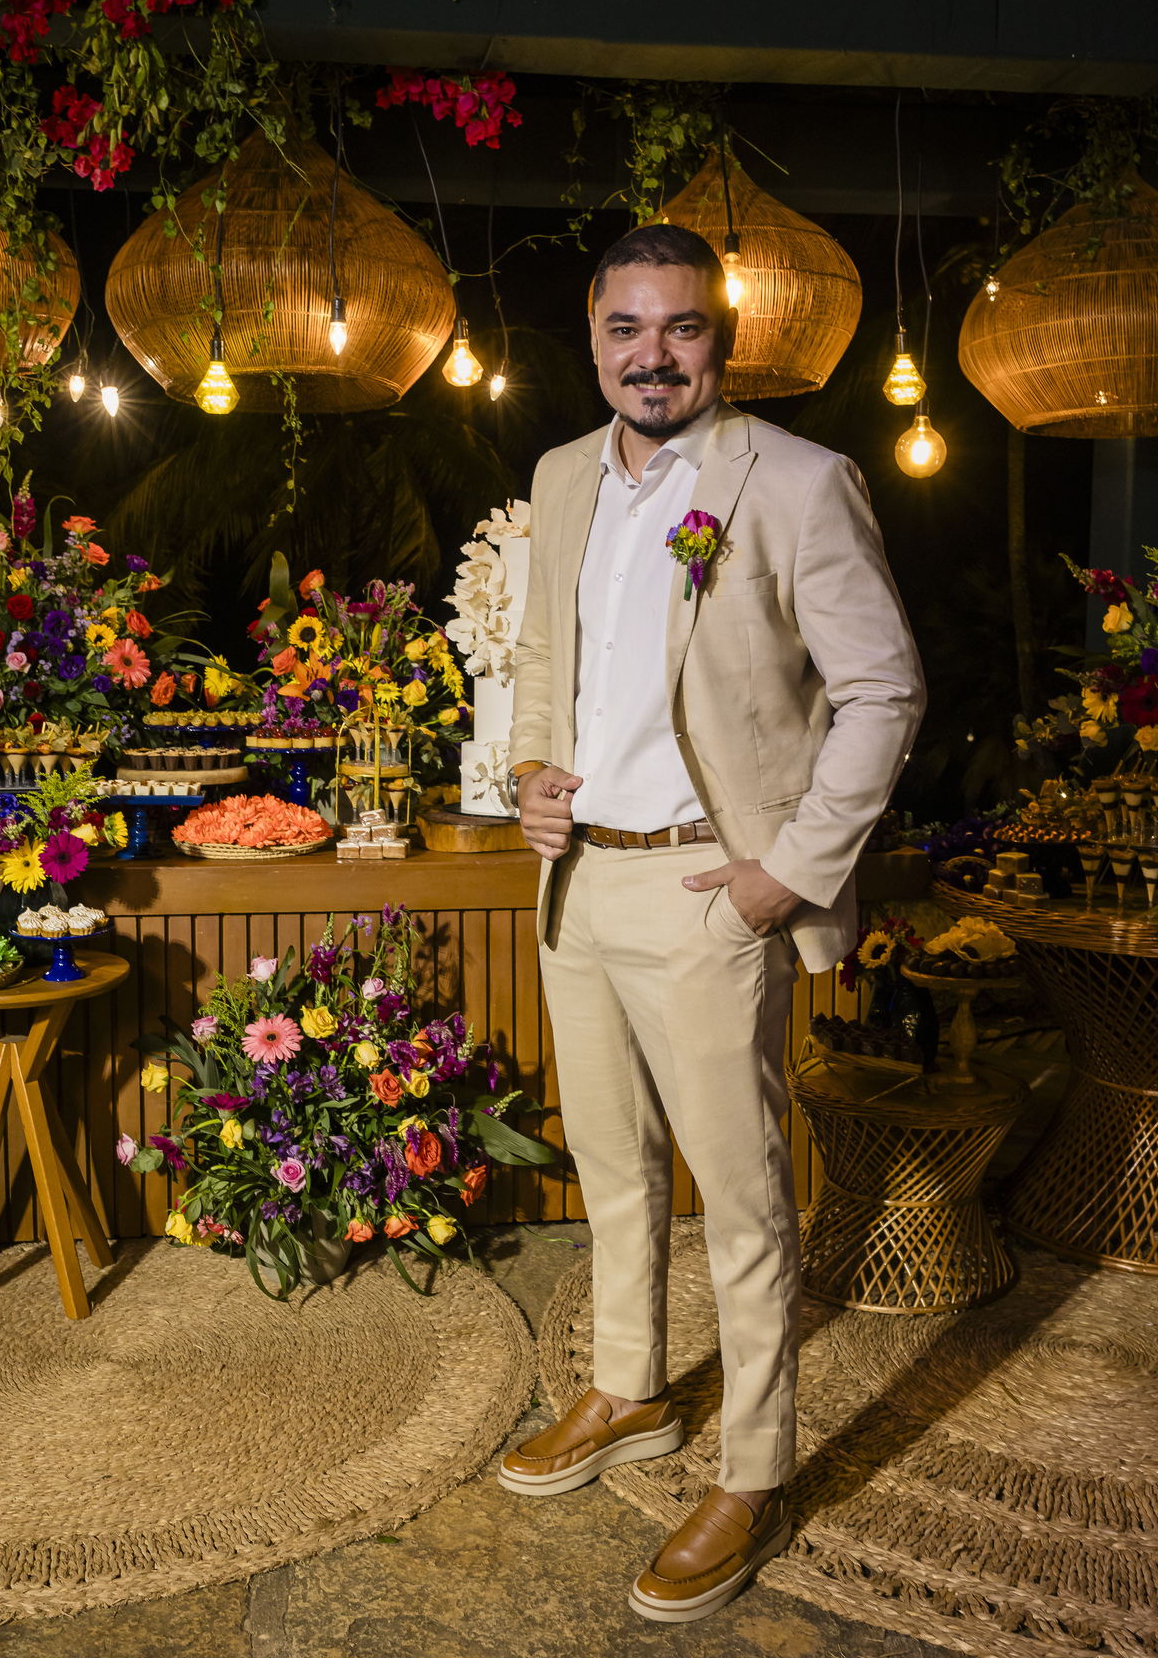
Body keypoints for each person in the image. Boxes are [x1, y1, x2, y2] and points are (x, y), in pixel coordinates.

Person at [496, 222, 926, 1625]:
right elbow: (547, 661)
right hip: (578, 886)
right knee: (609, 1163)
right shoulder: (563, 477)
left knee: (740, 1204)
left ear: (719, 342)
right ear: (596, 330)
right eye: (629, 328)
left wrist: (785, 873)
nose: (653, 354)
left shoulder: (795, 484)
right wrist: (531, 774)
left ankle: (749, 1468)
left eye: (681, 328)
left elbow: (885, 691)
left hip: (706, 890)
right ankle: (627, 1390)